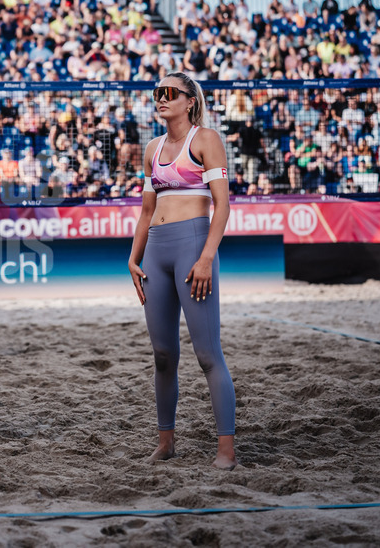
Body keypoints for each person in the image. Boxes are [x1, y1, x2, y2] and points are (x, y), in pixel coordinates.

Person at [127, 71, 237, 470]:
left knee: (207, 354)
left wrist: (207, 256)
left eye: (169, 92)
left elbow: (222, 207)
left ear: (190, 100)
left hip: (193, 247)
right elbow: (145, 212)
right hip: (155, 251)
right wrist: (133, 258)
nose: (161, 98)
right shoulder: (153, 148)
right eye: (157, 93)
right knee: (162, 354)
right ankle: (166, 442)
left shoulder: (205, 139)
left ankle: (226, 450)